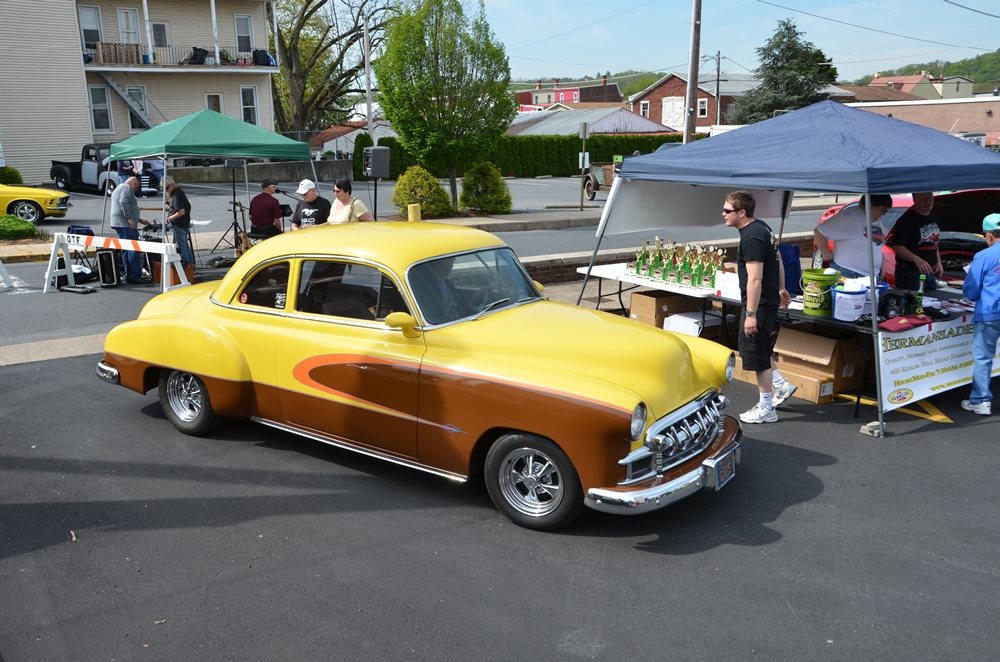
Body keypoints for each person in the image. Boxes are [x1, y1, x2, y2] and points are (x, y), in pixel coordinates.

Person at [723, 191, 795, 424]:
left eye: (727, 211)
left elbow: (755, 278)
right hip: (767, 300)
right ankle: (781, 386)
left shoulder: (751, 236)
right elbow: (778, 259)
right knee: (761, 348)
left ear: (741, 213)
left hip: (760, 304)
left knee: (757, 355)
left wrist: (751, 314)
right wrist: (782, 288)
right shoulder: (762, 228)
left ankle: (766, 407)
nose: (723, 214)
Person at [960, 213, 1000, 416]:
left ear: (989, 235)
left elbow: (971, 290)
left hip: (990, 313)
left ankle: (981, 401)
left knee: (983, 358)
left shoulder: (984, 256)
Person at [813, 194, 893, 278]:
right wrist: (827, 255)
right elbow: (819, 232)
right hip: (849, 273)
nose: (883, 214)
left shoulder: (874, 218)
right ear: (870, 204)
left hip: (869, 275)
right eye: (882, 210)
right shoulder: (850, 216)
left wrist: (882, 262)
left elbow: (876, 245)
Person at [887, 191, 943, 291]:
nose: (928, 202)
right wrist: (916, 259)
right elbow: (897, 246)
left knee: (933, 304)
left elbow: (934, 241)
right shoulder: (905, 220)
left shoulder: (932, 215)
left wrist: (938, 262)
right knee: (914, 305)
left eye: (930, 198)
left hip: (930, 272)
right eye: (923, 198)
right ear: (914, 199)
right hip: (910, 274)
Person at [110, 176, 151, 284]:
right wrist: (130, 218)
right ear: (133, 183)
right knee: (133, 249)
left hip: (118, 222)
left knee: (125, 249)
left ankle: (129, 275)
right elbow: (124, 202)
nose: (135, 190)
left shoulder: (119, 187)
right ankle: (135, 276)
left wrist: (140, 220)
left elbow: (124, 204)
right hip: (125, 223)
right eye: (136, 188)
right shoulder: (127, 188)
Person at [165, 177, 195, 267]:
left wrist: (170, 218)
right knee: (185, 244)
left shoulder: (177, 196)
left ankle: (187, 263)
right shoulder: (179, 193)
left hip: (180, 224)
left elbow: (181, 212)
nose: (166, 190)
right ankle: (190, 263)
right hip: (184, 223)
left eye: (167, 188)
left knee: (182, 245)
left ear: (172, 185)